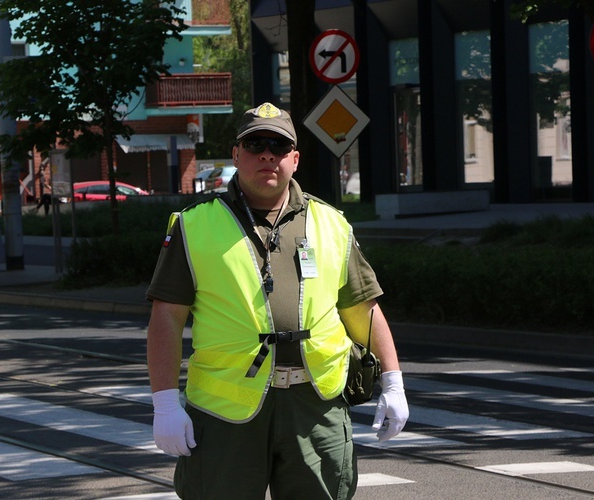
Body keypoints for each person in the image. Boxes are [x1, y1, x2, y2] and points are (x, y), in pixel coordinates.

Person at [146, 102, 409, 499]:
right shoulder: (194, 224)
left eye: (279, 146)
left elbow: (362, 307)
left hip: (314, 408)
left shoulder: (331, 223)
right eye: (255, 144)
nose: (268, 154)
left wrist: (393, 380)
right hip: (224, 413)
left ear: (295, 159)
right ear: (236, 154)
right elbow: (166, 317)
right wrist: (164, 402)